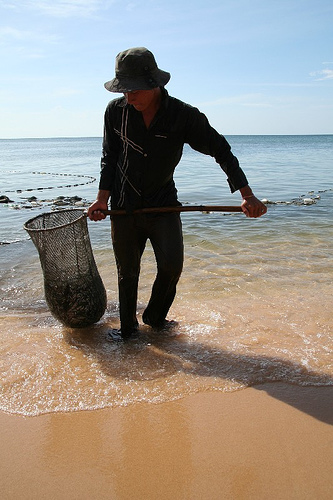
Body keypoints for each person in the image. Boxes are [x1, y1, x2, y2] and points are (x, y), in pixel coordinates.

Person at [88, 47, 267, 340]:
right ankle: (128, 335)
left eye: (133, 90)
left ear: (155, 84)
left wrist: (247, 195)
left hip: (164, 206)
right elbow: (109, 157)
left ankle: (155, 319)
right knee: (127, 273)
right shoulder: (115, 112)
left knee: (172, 266)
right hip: (124, 207)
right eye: (124, 90)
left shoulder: (183, 116)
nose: (128, 97)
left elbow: (221, 150)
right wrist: (102, 199)